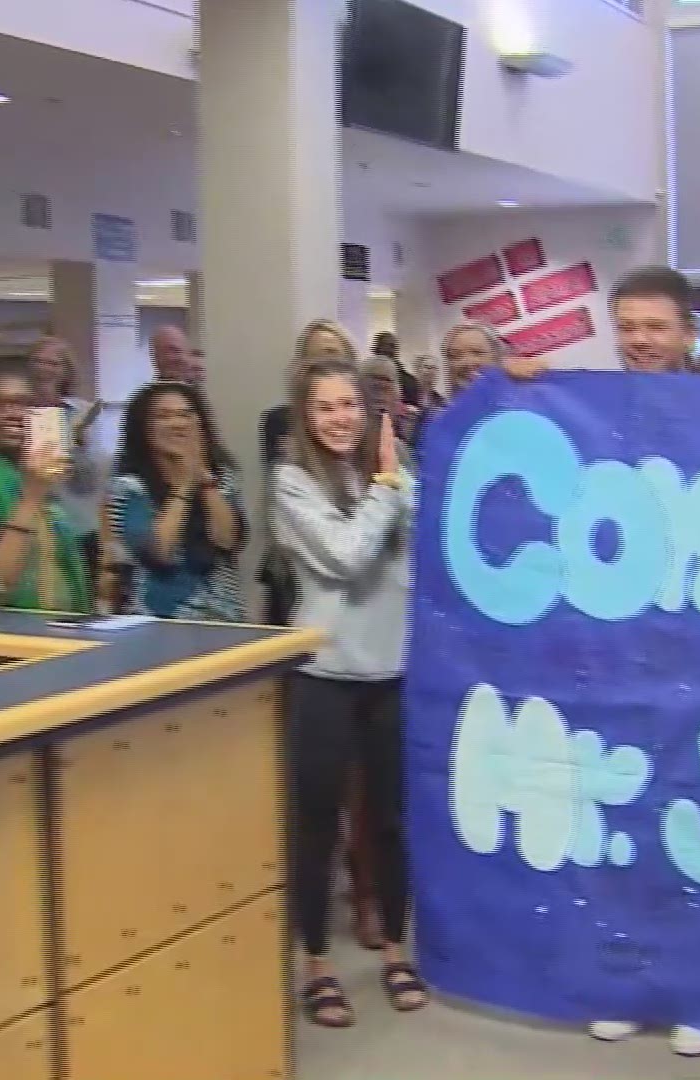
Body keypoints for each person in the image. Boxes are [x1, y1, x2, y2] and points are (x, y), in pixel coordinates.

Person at [273, 357, 421, 1028]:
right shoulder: (292, 482)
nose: (339, 418)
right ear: (306, 416)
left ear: (368, 410)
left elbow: (422, 544)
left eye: (349, 406)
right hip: (322, 676)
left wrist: (394, 483)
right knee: (316, 827)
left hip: (392, 672)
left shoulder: (391, 470)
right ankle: (317, 964)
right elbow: (346, 555)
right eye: (325, 407)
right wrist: (389, 487)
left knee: (390, 824)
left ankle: (395, 949)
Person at [0, 354, 91, 613]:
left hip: (63, 627)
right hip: (6, 636)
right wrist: (31, 497)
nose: (12, 414)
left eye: (24, 405)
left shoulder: (38, 465)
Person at [106, 381, 246, 621]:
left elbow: (227, 540)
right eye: (164, 416)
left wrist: (203, 478)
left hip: (223, 618)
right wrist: (184, 485)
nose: (177, 424)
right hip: (157, 620)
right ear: (144, 429)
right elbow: (158, 552)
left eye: (185, 415)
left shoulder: (220, 477)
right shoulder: (128, 487)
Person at [259, 318, 358, 625]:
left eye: (332, 353)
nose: (324, 364)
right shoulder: (278, 423)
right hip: (299, 563)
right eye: (314, 356)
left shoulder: (371, 427)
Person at [27, 335, 110, 586]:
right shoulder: (20, 410)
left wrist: (79, 442)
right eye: (39, 361)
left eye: (54, 363)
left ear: (66, 371)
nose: (45, 369)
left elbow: (93, 477)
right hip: (38, 521)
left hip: (79, 522)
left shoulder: (81, 412)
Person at [372, 329, 420, 407]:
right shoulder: (364, 377)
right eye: (383, 345)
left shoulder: (409, 381)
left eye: (392, 346)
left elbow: (413, 410)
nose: (388, 350)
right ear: (375, 349)